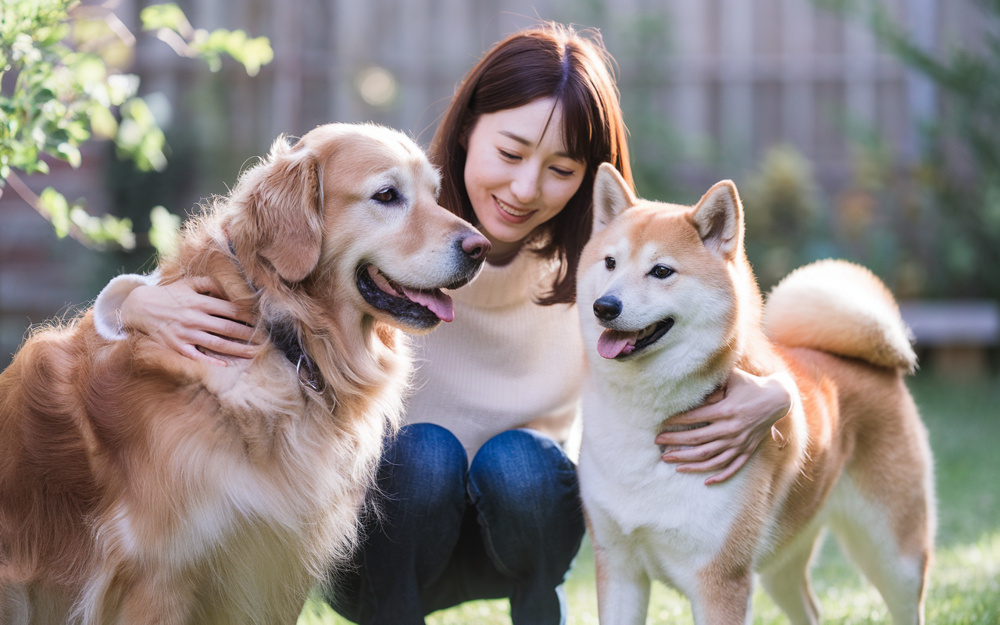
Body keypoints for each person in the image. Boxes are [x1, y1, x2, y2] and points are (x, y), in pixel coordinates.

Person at [92, 22, 793, 625]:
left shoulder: (608, 269)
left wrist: (777, 391)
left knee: (519, 463)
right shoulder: (399, 233)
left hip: (519, 527)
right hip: (386, 534)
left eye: (561, 168)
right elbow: (250, 268)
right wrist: (130, 301)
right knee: (422, 452)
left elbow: (724, 311)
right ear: (468, 131)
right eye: (511, 153)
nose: (525, 189)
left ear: (588, 177)